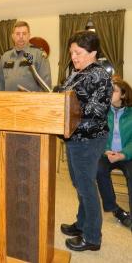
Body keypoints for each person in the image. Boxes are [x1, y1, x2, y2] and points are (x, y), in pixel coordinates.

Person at [59, 30, 112, 251]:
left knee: (86, 186)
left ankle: (92, 238)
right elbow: (63, 93)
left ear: (93, 53)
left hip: (88, 140)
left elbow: (96, 112)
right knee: (79, 184)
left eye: (78, 53)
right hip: (73, 137)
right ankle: (82, 224)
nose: (74, 57)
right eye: (72, 52)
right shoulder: (77, 72)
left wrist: (68, 113)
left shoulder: (99, 74)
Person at [97, 78, 132, 229]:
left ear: (123, 95)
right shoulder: (102, 111)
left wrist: (123, 154)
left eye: (114, 90)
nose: (109, 93)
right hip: (107, 153)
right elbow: (97, 135)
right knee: (98, 169)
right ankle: (116, 210)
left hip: (127, 155)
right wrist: (105, 150)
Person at [0, 20, 51, 92]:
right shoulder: (5, 57)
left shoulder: (39, 55)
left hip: (30, 102)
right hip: (9, 101)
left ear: (29, 35)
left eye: (24, 34)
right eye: (18, 34)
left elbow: (45, 85)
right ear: (13, 36)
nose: (21, 37)